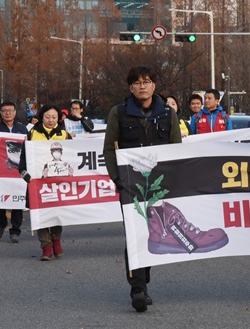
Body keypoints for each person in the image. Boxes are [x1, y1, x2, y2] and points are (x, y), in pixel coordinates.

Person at [103, 66, 182, 313]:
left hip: (159, 187)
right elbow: (109, 149)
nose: (142, 86)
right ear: (130, 88)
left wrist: (173, 181)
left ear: (154, 86)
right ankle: (137, 289)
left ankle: (143, 279)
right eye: (136, 83)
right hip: (130, 186)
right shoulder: (118, 113)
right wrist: (118, 180)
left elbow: (176, 150)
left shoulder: (168, 114)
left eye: (146, 82)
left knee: (153, 234)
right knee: (134, 235)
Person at [19, 105, 72, 261]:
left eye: (54, 117)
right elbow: (23, 159)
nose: (51, 120)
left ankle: (56, 240)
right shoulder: (32, 134)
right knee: (40, 214)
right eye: (47, 117)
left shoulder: (65, 135)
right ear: (42, 117)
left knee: (57, 213)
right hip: (38, 183)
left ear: (58, 118)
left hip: (59, 183)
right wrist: (24, 173)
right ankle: (45, 246)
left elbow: (74, 157)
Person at [0, 102, 29, 243]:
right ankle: (2, 223)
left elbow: (29, 149)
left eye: (10, 110)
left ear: (15, 112)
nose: (7, 113)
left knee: (18, 200)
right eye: (4, 111)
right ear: (0, 113)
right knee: (0, 198)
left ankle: (15, 230)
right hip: (1, 170)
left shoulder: (22, 129)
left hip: (19, 170)